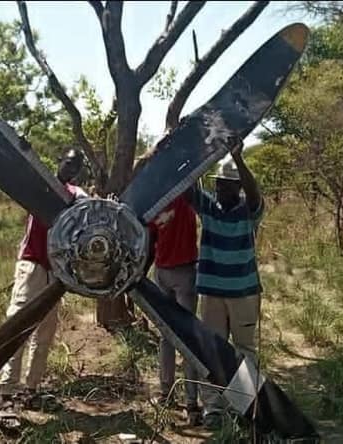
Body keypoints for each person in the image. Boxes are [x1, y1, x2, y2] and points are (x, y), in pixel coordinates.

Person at [0, 147, 87, 427]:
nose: (71, 168)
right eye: (68, 163)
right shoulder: (41, 184)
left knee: (45, 333)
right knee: (18, 327)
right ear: (59, 161)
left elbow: (85, 206)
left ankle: (31, 390)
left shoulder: (76, 194)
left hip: (56, 272)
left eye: (76, 166)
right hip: (33, 265)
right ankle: (6, 395)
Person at [185, 139, 264, 429]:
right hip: (214, 294)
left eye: (225, 185)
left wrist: (238, 159)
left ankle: (245, 408)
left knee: (244, 350)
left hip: (243, 293)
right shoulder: (209, 207)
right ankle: (214, 409)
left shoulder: (249, 210)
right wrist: (201, 155)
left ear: (237, 188)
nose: (219, 189)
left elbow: (255, 194)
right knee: (212, 350)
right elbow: (187, 188)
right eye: (218, 184)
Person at [147, 193, 202, 426]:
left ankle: (189, 401)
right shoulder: (162, 202)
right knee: (169, 336)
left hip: (181, 272)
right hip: (166, 271)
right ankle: (170, 393)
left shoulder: (183, 197)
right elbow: (151, 239)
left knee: (184, 337)